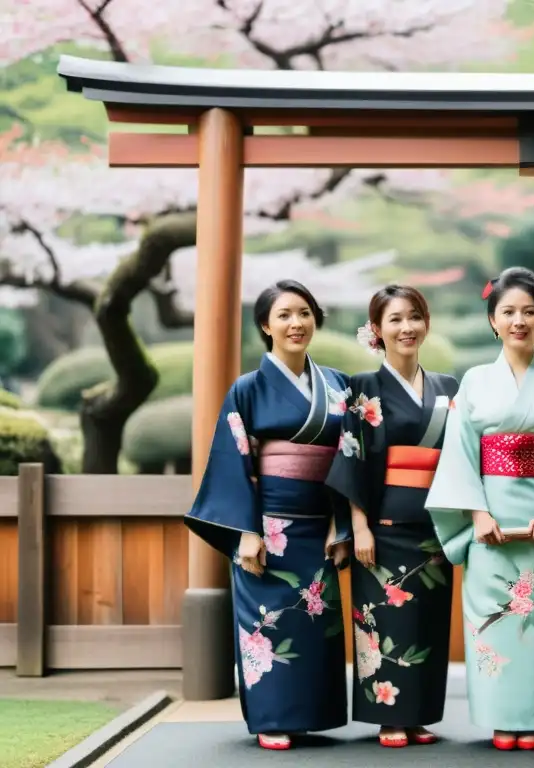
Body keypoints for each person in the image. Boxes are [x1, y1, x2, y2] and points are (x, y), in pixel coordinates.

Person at [424, 267, 534, 751]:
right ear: (492, 321)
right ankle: (503, 717)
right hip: (490, 518)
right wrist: (477, 514)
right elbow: (460, 452)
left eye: (529, 311)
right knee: (494, 620)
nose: (519, 320)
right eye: (508, 312)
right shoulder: (476, 381)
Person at [184, 280, 352, 751]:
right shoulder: (248, 389)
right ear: (265, 325)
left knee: (314, 625)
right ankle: (272, 718)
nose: (296, 323)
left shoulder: (337, 385)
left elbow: (348, 459)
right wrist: (246, 533)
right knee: (269, 622)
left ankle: (314, 714)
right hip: (270, 526)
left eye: (304, 313)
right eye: (284, 315)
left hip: (319, 526)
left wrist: (342, 526)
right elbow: (232, 461)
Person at [324, 285, 458, 748]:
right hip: (382, 527)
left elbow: (460, 457)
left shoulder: (448, 388)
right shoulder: (363, 388)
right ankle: (389, 715)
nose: (407, 327)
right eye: (396, 319)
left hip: (436, 526)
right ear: (376, 330)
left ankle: (418, 713)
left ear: (426, 323)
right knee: (381, 620)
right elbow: (352, 457)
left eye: (415, 317)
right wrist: (358, 526)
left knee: (427, 623)